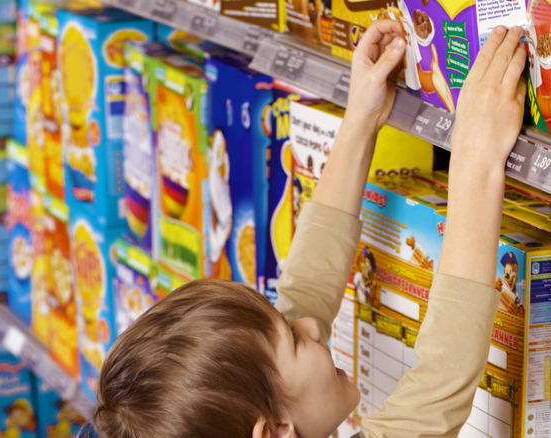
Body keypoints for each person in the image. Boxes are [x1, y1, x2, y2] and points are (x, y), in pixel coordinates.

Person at [94, 20, 527, 438]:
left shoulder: (278, 410)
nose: (314, 326)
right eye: (297, 341)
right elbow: (439, 384)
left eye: (289, 324)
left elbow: (304, 289)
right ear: (275, 432)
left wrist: (362, 116)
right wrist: (476, 155)